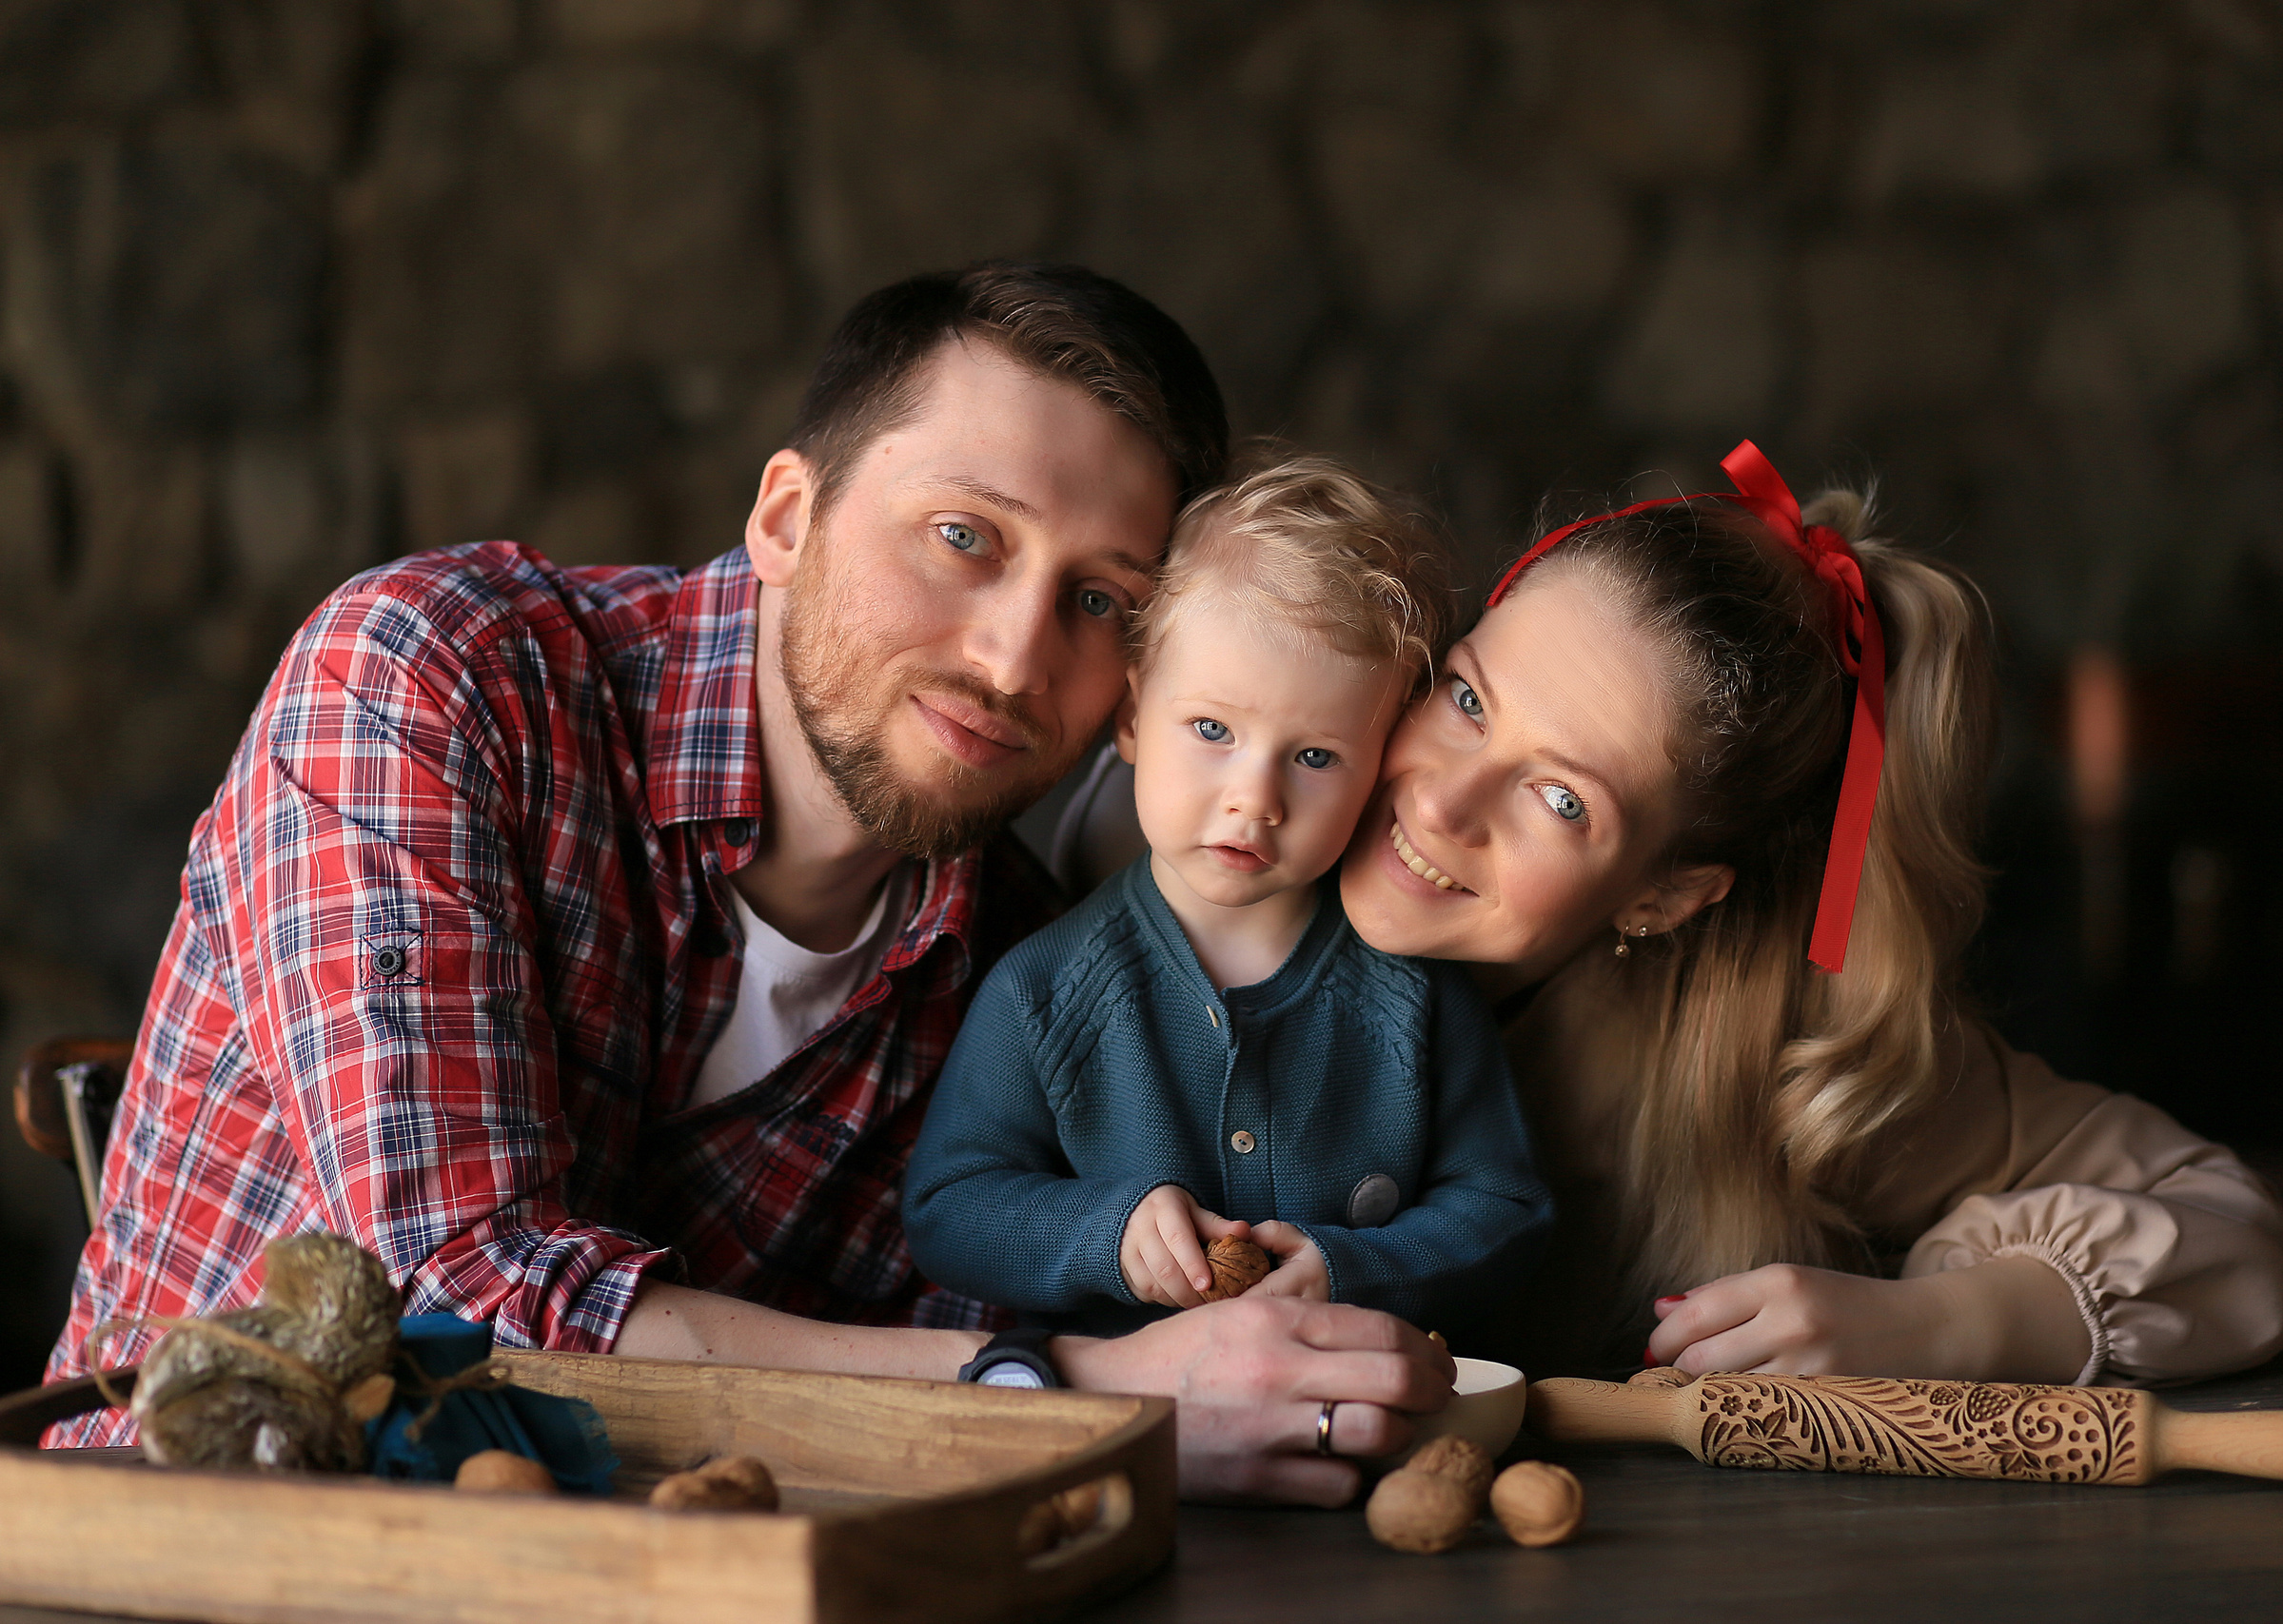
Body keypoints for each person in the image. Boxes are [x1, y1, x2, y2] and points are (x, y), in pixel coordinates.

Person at [47, 263, 1451, 1505]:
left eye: (1101, 600)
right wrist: (1071, 1386)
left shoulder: (1027, 966)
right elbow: (449, 1296)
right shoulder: (438, 676)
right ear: (787, 515)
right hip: (162, 1565)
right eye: (966, 536)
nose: (1018, 657)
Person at [1333, 442, 2283, 1386]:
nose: (1442, 805)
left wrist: (1948, 1323)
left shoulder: (1774, 1067)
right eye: (1467, 698)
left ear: (1662, 896)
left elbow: (2235, 1233)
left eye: (1562, 801)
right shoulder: (1234, 825)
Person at [903, 458, 1553, 1339]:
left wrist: (1353, 1264)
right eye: (1212, 730)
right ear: (1132, 718)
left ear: (1378, 771)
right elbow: (950, 1209)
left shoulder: (1416, 990)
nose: (1256, 798)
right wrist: (1109, 1232)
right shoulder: (1045, 991)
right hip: (1133, 1430)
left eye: (1316, 757)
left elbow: (1508, 1210)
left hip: (1355, 1414)